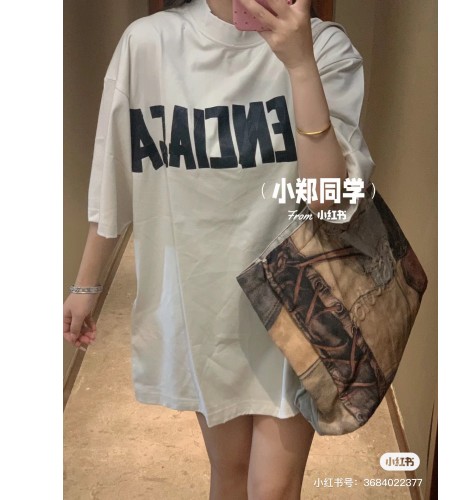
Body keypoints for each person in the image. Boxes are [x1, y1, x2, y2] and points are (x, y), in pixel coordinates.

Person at [63, 0, 375, 498]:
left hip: (297, 305)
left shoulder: (326, 48)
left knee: (272, 488)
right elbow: (113, 174)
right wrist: (86, 285)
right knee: (229, 471)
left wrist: (300, 65)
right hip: (204, 305)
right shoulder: (148, 44)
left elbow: (330, 201)